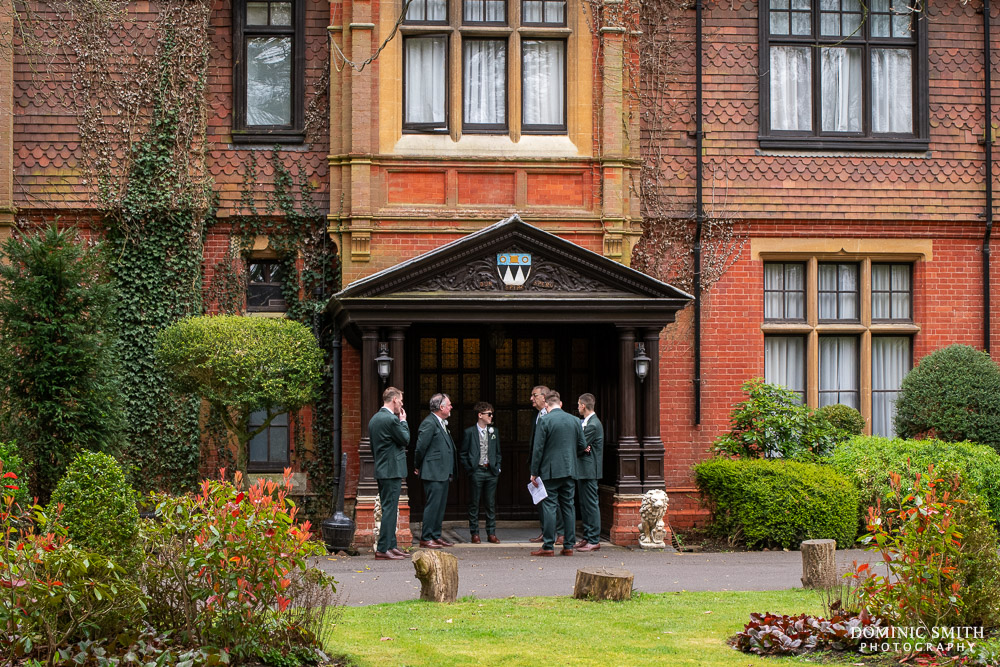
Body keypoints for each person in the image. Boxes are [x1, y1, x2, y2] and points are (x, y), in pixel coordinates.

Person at [529, 391, 586, 556]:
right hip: (569, 469)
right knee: (568, 506)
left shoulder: (545, 420)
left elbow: (538, 448)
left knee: (549, 506)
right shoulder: (575, 420)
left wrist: (534, 472)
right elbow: (582, 445)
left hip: (550, 471)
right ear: (560, 404)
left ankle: (548, 546)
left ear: (546, 405)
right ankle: (568, 545)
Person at [369, 386, 410, 560]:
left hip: (382, 468)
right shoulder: (391, 420)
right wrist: (403, 421)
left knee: (389, 508)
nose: (401, 404)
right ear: (394, 400)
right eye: (400, 400)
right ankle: (383, 548)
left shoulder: (374, 419)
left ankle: (391, 546)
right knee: (390, 509)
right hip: (392, 469)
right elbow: (405, 439)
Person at [414, 393, 455, 549]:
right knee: (433, 504)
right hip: (433, 471)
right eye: (449, 404)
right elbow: (420, 447)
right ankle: (426, 537)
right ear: (441, 407)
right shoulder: (429, 423)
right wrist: (417, 465)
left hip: (442, 472)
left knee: (440, 505)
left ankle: (436, 535)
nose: (451, 407)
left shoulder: (441, 422)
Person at [527, 385, 563, 545]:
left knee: (554, 500)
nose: (531, 399)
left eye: (534, 395)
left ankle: (561, 533)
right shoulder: (538, 415)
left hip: (551, 465)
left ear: (544, 396)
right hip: (539, 464)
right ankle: (545, 531)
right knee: (541, 498)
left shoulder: (551, 415)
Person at [462, 402, 502, 544]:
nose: (491, 417)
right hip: (477, 470)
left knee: (490, 504)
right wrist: (470, 469)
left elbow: (497, 452)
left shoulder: (494, 432)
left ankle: (491, 533)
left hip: (491, 471)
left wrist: (497, 467)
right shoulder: (469, 432)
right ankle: (475, 533)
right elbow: (463, 453)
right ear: (480, 415)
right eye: (489, 414)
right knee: (474, 503)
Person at [573, 393, 604, 552]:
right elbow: (581, 445)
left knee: (591, 504)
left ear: (583, 405)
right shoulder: (587, 422)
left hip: (590, 470)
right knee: (584, 505)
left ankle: (594, 539)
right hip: (583, 469)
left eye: (578, 404)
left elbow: (579, 444)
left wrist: (581, 446)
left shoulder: (593, 424)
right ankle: (587, 536)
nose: (577, 407)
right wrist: (582, 446)